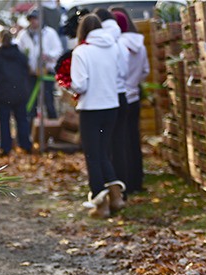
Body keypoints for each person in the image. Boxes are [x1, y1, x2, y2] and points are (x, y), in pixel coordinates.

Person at [70, 13, 124, 219]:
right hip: (111, 105)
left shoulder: (81, 52)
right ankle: (116, 197)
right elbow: (120, 74)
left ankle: (102, 205)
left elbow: (80, 84)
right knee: (103, 152)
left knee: (93, 156)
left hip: (91, 108)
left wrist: (70, 87)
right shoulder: (113, 47)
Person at [111, 7, 150, 195]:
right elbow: (146, 71)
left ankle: (124, 181)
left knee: (120, 142)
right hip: (134, 95)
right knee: (134, 139)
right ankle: (137, 179)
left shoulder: (116, 45)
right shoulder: (140, 45)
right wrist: (134, 84)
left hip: (119, 97)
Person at [94, 8, 129, 211]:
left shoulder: (99, 45)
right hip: (121, 94)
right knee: (119, 143)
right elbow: (124, 71)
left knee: (103, 149)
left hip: (104, 98)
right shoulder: (119, 42)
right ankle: (122, 189)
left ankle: (110, 195)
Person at [0, 30, 33, 157]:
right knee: (22, 119)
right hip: (20, 92)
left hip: (3, 93)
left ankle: (6, 147)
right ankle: (25, 144)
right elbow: (27, 70)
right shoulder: (20, 55)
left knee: (4, 121)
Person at [15, 8, 63, 120]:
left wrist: (48, 55)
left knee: (48, 100)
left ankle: (52, 125)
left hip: (47, 72)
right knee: (31, 101)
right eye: (31, 19)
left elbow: (58, 50)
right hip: (30, 73)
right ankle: (31, 127)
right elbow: (19, 51)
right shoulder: (23, 35)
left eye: (36, 19)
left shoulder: (50, 33)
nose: (33, 22)